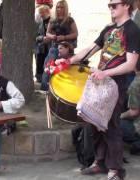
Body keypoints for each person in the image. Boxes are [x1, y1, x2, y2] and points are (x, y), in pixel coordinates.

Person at [56, 1, 140, 179]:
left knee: (111, 126)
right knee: (94, 122)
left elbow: (131, 64)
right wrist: (68, 61)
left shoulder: (132, 30)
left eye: (114, 5)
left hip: (115, 84)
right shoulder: (109, 28)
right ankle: (99, 162)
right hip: (100, 81)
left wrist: (105, 73)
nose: (111, 8)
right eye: (109, 5)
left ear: (126, 6)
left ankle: (116, 169)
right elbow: (90, 49)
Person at [41, 0, 78, 90]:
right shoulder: (53, 20)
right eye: (58, 7)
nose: (59, 9)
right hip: (55, 46)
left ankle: (60, 87)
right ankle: (45, 87)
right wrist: (52, 36)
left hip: (67, 46)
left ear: (65, 8)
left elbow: (75, 33)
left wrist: (64, 37)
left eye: (62, 7)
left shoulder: (69, 20)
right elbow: (47, 33)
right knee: (49, 63)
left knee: (61, 66)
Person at [35, 4, 51, 82]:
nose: (40, 14)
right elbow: (35, 36)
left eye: (42, 12)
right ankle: (39, 80)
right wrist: (42, 38)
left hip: (50, 48)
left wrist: (49, 38)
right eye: (39, 12)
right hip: (41, 48)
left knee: (49, 65)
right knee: (40, 65)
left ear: (47, 11)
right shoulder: (39, 23)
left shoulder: (53, 22)